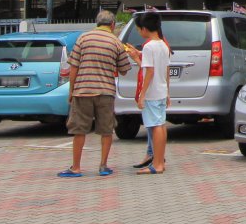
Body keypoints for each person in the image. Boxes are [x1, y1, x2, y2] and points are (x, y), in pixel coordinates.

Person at [58, 10, 132, 178]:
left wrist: (72, 90)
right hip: (106, 92)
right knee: (106, 130)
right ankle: (103, 166)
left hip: (83, 90)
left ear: (97, 23)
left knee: (79, 130)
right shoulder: (116, 42)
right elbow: (124, 70)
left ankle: (76, 167)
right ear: (112, 25)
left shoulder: (83, 38)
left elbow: (74, 66)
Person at [134, 11, 171, 174]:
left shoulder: (149, 47)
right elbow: (166, 71)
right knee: (161, 125)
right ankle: (159, 162)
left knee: (155, 126)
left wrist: (142, 94)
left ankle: (157, 164)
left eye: (138, 29)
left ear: (144, 28)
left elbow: (149, 71)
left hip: (152, 93)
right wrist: (168, 92)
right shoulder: (163, 45)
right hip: (161, 91)